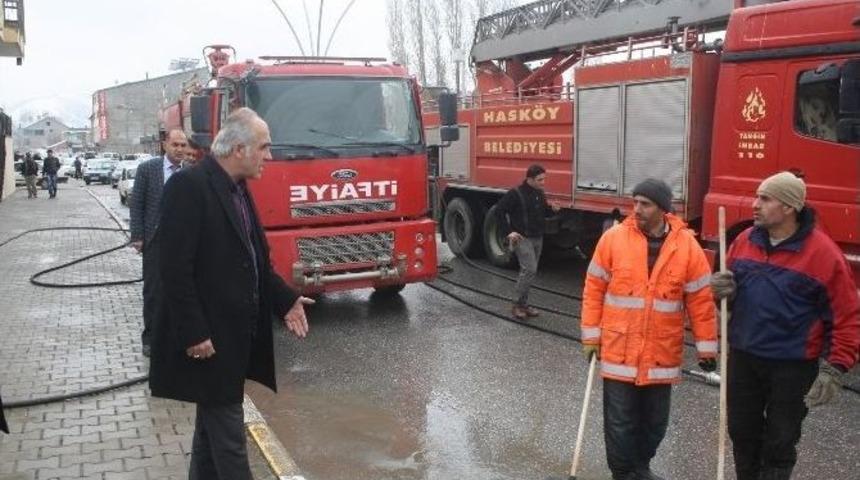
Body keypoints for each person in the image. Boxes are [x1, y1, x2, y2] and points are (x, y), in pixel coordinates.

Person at [149, 108, 314, 479]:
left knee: (211, 431)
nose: (269, 155)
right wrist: (193, 332)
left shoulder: (238, 188)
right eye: (264, 147)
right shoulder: (188, 187)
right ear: (239, 149)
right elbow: (172, 269)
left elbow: (254, 260)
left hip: (233, 337)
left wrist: (285, 299)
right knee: (229, 440)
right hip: (209, 338)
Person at [710, 171, 860, 480]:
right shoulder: (744, 241)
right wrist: (723, 293)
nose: (755, 205)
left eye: (765, 199)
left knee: (780, 441)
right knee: (742, 433)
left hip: (792, 365)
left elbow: (846, 316)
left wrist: (835, 368)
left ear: (789, 207)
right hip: (744, 357)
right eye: (757, 197)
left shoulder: (823, 254)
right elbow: (729, 301)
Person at [581, 178, 718, 480]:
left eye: (645, 204)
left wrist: (707, 348)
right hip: (619, 350)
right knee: (620, 422)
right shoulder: (613, 239)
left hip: (660, 353)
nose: (637, 209)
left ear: (663, 209)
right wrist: (591, 336)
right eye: (635, 202)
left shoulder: (687, 247)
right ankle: (623, 473)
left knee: (655, 423)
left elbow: (701, 301)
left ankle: (640, 466)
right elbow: (594, 290)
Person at [129, 129, 188, 357]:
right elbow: (137, 204)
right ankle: (151, 339)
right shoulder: (148, 169)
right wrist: (137, 236)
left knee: (182, 290)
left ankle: (179, 337)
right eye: (175, 144)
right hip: (155, 241)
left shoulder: (190, 172)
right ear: (165, 145)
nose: (180, 149)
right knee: (154, 291)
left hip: (183, 243)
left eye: (183, 145)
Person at [493, 164, 560, 320]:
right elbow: (499, 210)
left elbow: (543, 212)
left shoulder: (539, 193)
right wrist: (508, 232)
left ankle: (524, 304)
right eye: (540, 180)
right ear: (529, 179)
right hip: (522, 238)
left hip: (538, 237)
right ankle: (517, 305)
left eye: (544, 179)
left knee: (531, 272)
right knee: (529, 270)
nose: (543, 182)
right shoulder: (515, 193)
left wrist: (553, 210)